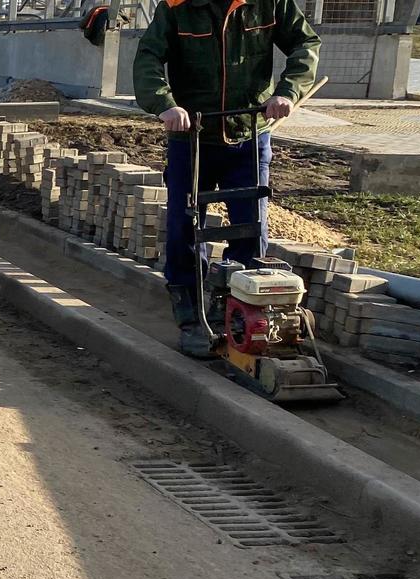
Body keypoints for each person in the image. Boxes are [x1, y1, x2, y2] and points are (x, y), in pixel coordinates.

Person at [133, 0, 319, 357]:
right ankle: (191, 313)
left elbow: (305, 43)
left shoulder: (270, 3)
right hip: (192, 135)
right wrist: (163, 103)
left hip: (248, 130)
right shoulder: (177, 7)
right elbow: (148, 57)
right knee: (185, 226)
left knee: (251, 225)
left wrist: (287, 91)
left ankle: (242, 309)